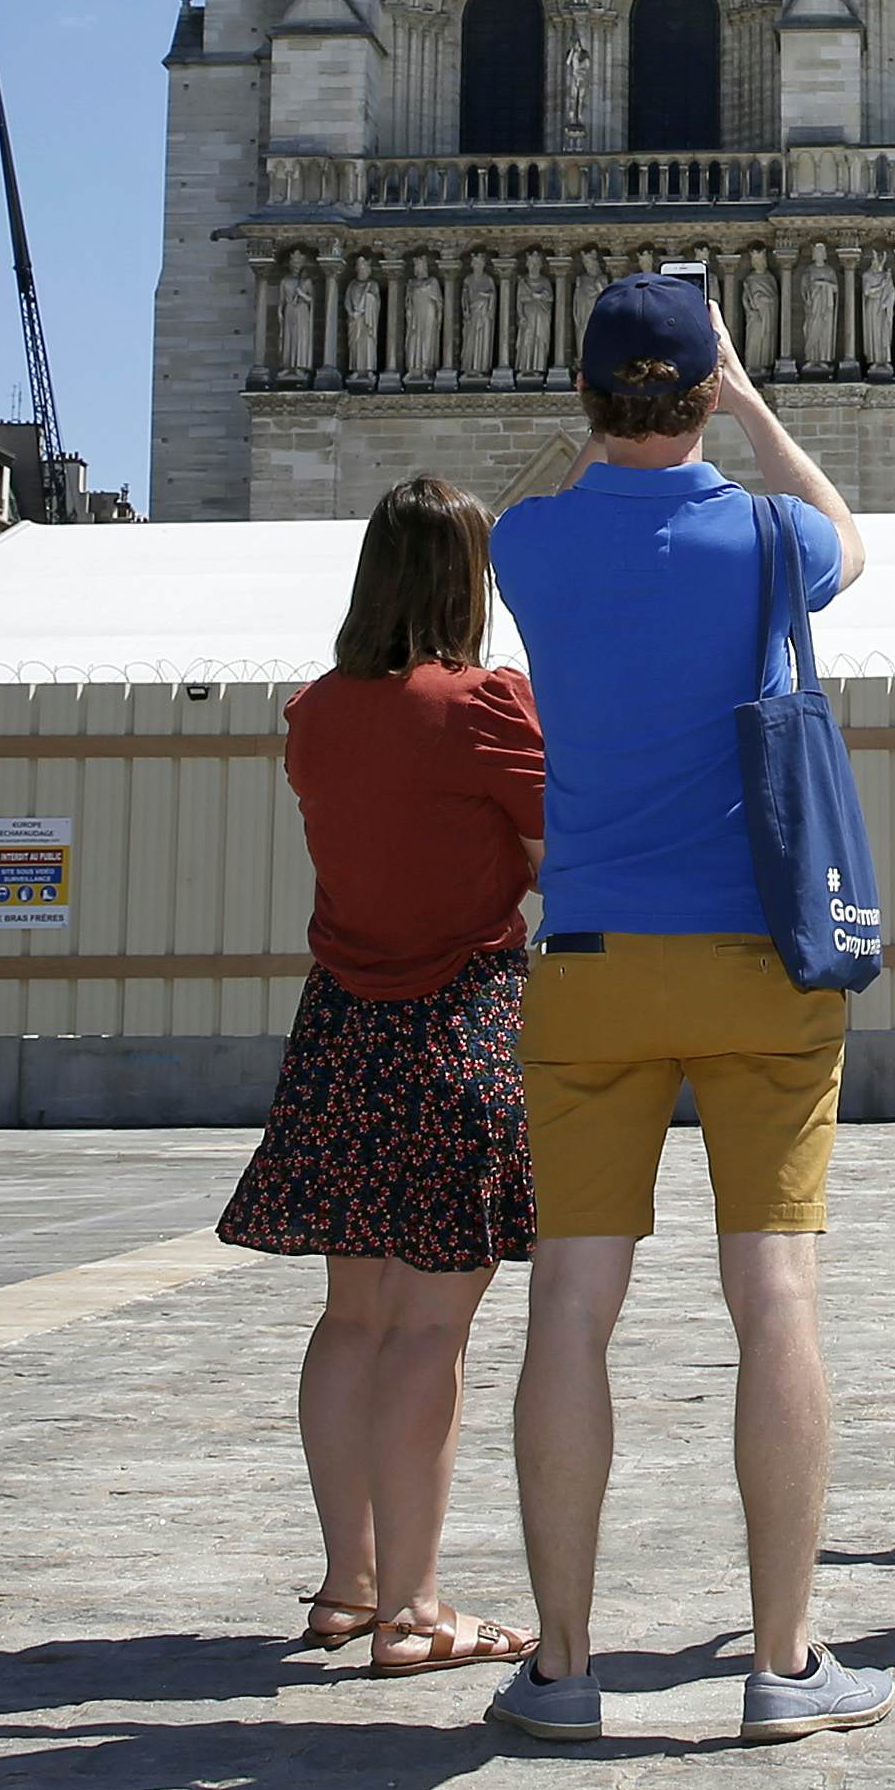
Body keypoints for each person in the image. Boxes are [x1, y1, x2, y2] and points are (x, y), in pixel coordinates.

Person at [479, 273, 891, 1747]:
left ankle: (564, 1669)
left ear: (587, 398)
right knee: (772, 1296)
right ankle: (783, 1663)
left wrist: (601, 428)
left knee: (571, 1311)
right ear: (704, 387)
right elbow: (851, 535)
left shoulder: (526, 545)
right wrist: (755, 397)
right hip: (757, 964)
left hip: (587, 962)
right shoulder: (771, 538)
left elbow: (538, 505)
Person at [215, 476, 546, 1678]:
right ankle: (417, 1609)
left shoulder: (314, 712)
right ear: (470, 582)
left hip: (342, 1028)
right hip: (458, 1026)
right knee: (432, 1331)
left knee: (351, 1314)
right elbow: (565, 834)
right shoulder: (481, 704)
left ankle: (347, 1585)